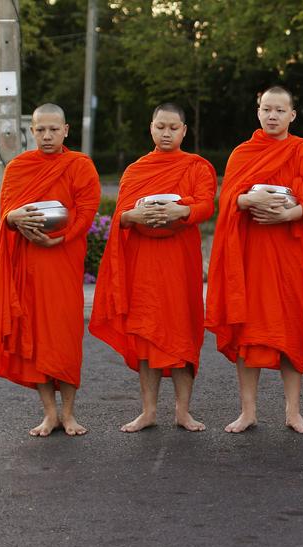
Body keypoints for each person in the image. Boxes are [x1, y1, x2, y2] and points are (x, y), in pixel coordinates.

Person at [89, 103, 217, 433]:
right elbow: (121, 215)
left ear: (184, 131)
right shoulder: (135, 170)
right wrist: (138, 216)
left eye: (173, 128)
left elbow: (206, 205)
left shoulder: (197, 167)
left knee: (183, 335)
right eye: (160, 126)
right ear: (151, 127)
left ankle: (183, 412)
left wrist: (180, 211)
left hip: (180, 264)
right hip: (144, 266)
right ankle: (148, 411)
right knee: (147, 337)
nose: (166, 133)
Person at [206, 86, 303, 434]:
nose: (272, 116)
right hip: (252, 256)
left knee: (290, 330)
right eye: (266, 109)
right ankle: (248, 411)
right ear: (258, 111)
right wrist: (243, 202)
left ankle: (293, 411)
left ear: (292, 115)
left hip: (289, 254)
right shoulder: (244, 152)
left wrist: (290, 215)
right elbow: (227, 198)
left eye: (279, 110)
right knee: (249, 332)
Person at [0, 103, 100, 437]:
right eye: (40, 130)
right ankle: (50, 414)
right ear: (31, 132)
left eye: (53, 129)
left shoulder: (79, 165)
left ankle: (69, 414)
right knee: (35, 338)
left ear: (66, 130)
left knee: (64, 336)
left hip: (62, 261)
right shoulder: (19, 167)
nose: (47, 136)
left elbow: (86, 212)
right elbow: (5, 213)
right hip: (29, 266)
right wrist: (13, 218)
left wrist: (60, 238)